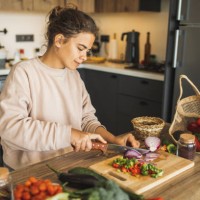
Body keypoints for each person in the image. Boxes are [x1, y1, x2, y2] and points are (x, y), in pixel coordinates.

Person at [0, 5, 140, 170]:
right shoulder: (24, 72)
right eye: (80, 48)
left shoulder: (74, 77)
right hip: (28, 171)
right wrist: (69, 134)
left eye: (88, 51)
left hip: (67, 165)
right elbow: (10, 128)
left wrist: (112, 139)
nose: (84, 57)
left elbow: (86, 119)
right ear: (59, 40)